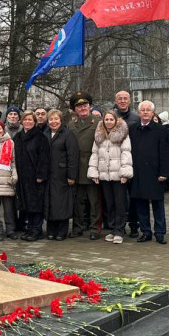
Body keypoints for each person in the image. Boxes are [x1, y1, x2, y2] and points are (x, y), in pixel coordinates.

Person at [88, 111, 132, 244]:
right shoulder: (99, 135)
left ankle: (119, 230)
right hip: (104, 175)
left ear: (116, 121)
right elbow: (95, 154)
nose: (108, 122)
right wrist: (94, 172)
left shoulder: (123, 135)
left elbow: (126, 153)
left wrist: (125, 173)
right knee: (109, 204)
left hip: (118, 175)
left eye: (111, 119)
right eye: (106, 119)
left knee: (120, 204)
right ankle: (112, 229)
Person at [130, 101, 169, 243]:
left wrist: (164, 172)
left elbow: (165, 153)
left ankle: (160, 232)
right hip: (138, 172)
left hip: (155, 173)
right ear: (138, 112)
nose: (145, 112)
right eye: (143, 110)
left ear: (153, 113)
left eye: (148, 110)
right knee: (141, 204)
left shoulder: (161, 130)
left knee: (158, 204)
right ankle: (146, 231)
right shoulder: (133, 129)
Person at [69, 92, 101, 238]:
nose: (82, 108)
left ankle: (95, 228)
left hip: (93, 164)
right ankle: (78, 227)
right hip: (77, 166)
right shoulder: (71, 124)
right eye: (79, 106)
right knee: (78, 200)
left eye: (85, 105)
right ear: (75, 109)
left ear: (90, 106)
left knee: (94, 201)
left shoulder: (98, 122)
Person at [14, 111, 50, 241]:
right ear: (21, 121)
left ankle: (36, 230)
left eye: (30, 120)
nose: (27, 122)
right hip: (22, 177)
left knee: (36, 205)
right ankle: (29, 228)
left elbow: (44, 158)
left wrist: (41, 175)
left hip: (35, 177)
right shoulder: (17, 137)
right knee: (26, 205)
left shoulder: (41, 138)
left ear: (34, 122)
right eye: (25, 119)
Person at [44, 109, 79, 241]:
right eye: (51, 119)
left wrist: (71, 176)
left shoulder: (67, 134)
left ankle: (62, 231)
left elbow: (73, 156)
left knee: (62, 203)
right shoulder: (45, 133)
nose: (53, 122)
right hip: (49, 175)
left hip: (62, 175)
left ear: (61, 120)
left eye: (56, 119)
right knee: (50, 202)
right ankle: (51, 230)